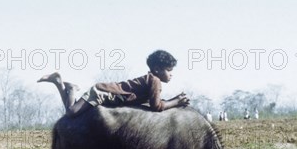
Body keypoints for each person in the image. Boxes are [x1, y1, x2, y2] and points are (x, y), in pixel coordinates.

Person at [38, 50, 189, 117]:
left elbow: (153, 103)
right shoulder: (155, 81)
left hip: (107, 93)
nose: (171, 74)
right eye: (169, 70)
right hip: (102, 93)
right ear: (157, 69)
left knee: (74, 111)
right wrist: (176, 101)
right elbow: (157, 107)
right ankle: (69, 89)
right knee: (71, 113)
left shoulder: (152, 79)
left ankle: (58, 83)